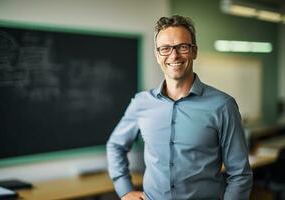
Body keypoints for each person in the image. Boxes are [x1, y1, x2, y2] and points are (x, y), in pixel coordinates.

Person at [107, 15, 253, 200]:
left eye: (182, 47)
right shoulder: (141, 103)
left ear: (194, 51)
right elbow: (115, 145)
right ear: (157, 55)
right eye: (165, 49)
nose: (174, 56)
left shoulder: (223, 105)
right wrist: (125, 189)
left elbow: (240, 174)